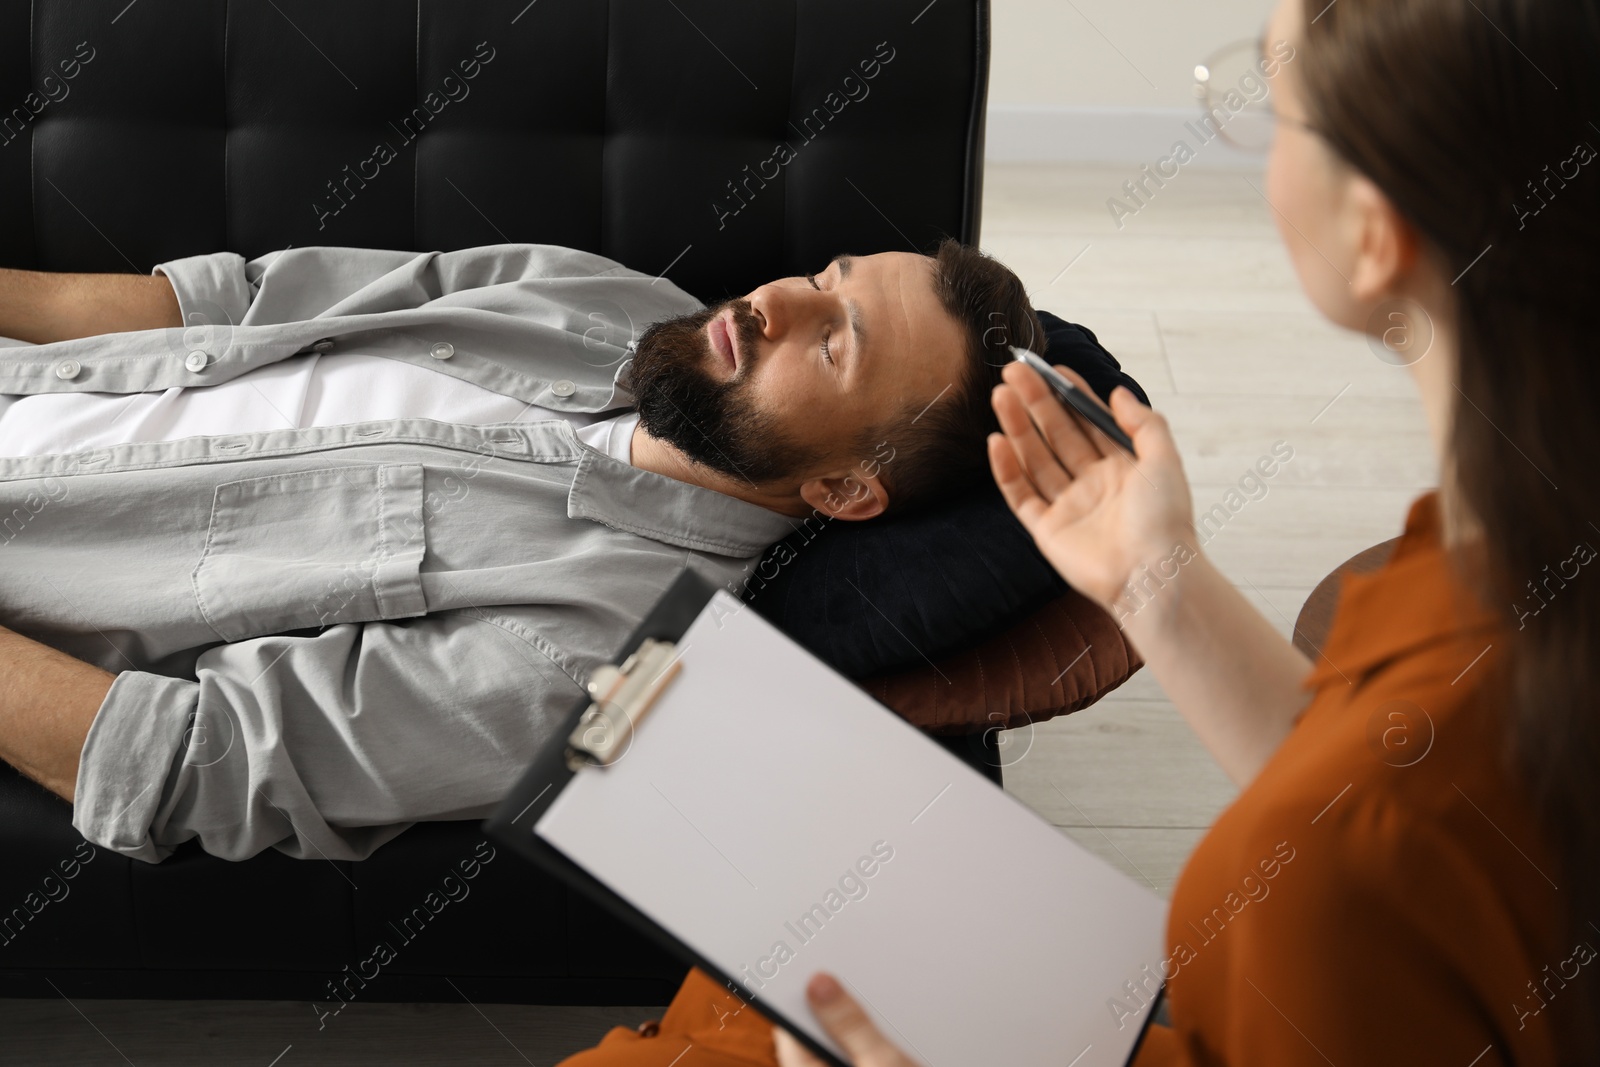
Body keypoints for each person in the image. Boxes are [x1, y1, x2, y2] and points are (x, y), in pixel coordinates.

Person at [555, 0, 1600, 1063]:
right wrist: (1157, 580)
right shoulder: (1488, 570)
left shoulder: (1335, 891)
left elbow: (1385, 843)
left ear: (1374, 235)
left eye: (1279, 114)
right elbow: (1383, 806)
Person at [0, 239, 1042, 864]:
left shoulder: (595, 645)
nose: (772, 302)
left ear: (843, 488)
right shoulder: (609, 301)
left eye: (833, 339)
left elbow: (188, 760)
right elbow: (231, 301)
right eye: (826, 273)